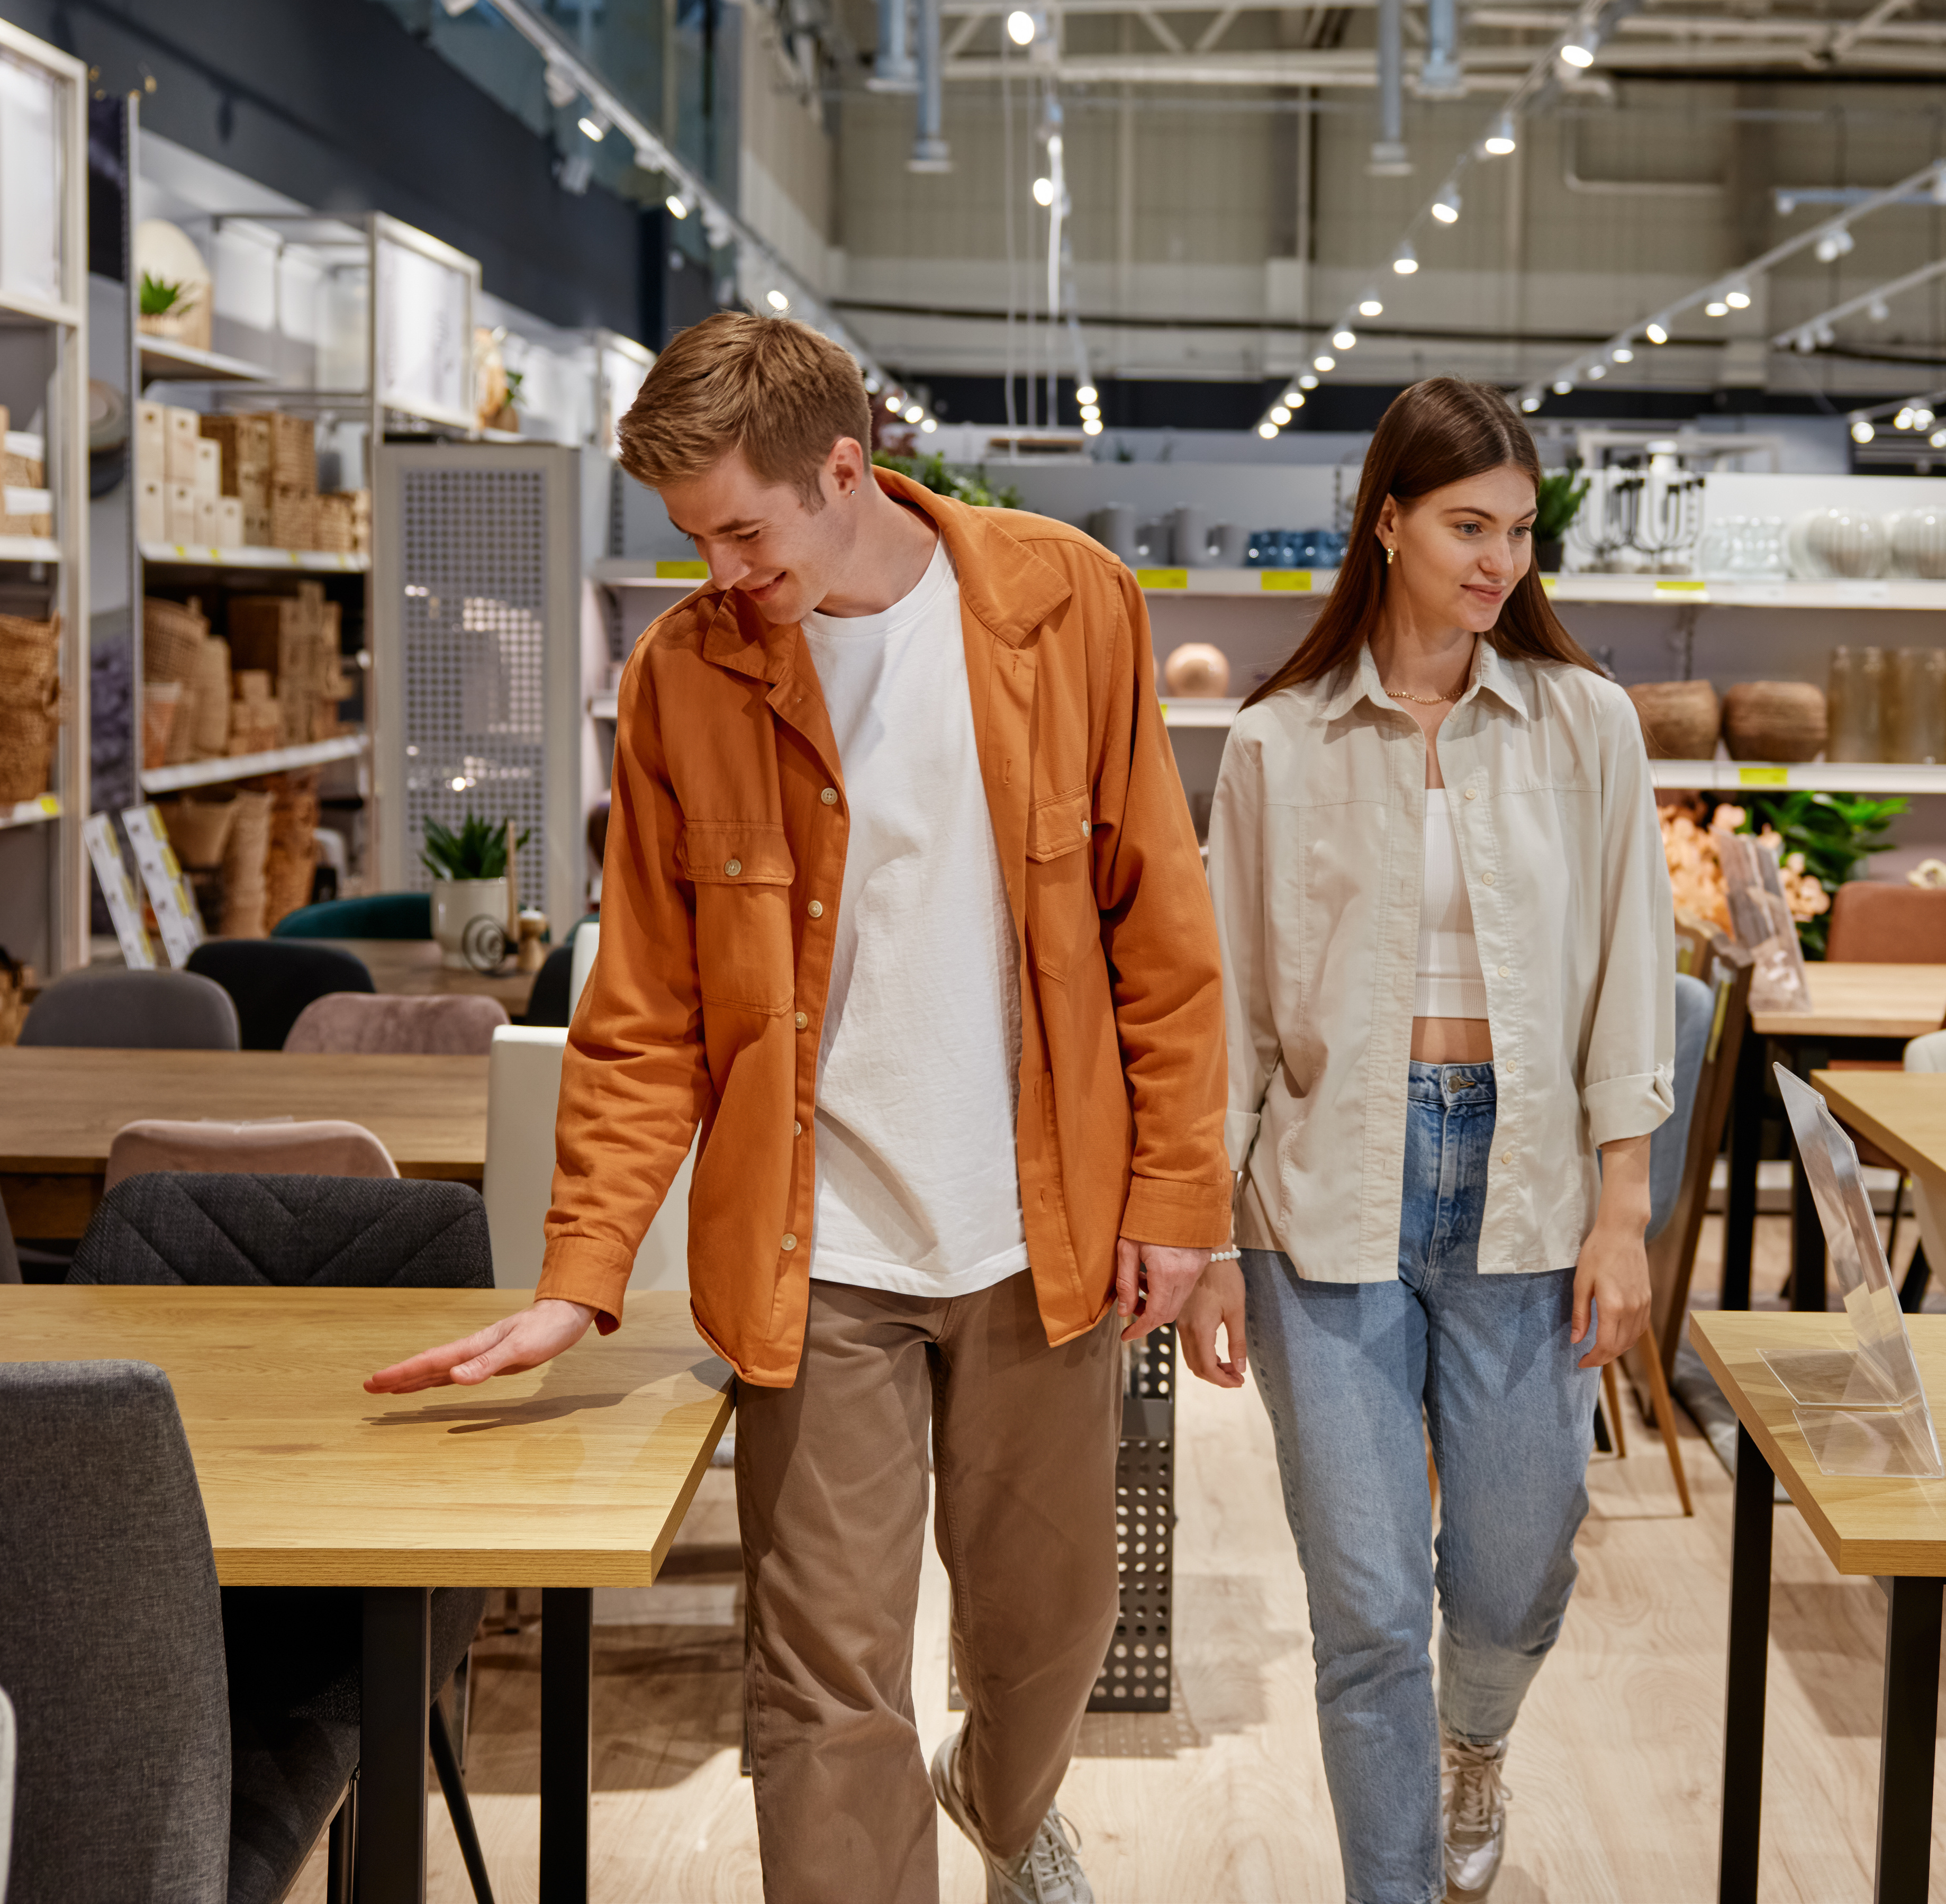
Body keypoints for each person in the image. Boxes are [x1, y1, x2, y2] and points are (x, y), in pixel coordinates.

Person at [366, 311, 1228, 1904]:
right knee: (822, 1687)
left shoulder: (1066, 605)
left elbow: (1160, 938)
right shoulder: (685, 676)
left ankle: (1006, 1792)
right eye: (693, 541)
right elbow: (642, 1021)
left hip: (1039, 1234)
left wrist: (1181, 1204)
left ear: (848, 469)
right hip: (811, 1258)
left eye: (743, 533)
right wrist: (580, 1276)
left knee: (1052, 1637)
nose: (719, 572)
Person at [1179, 377, 1675, 1904]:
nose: (1500, 562)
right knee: (1369, 1602)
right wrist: (1205, 1236)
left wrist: (1620, 1209)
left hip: (1525, 1193)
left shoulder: (1587, 723)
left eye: (1522, 532)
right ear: (1384, 522)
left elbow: (1629, 973)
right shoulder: (1278, 742)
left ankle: (1480, 1742)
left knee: (1517, 1573)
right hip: (1325, 1193)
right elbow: (1235, 1010)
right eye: (1470, 526)